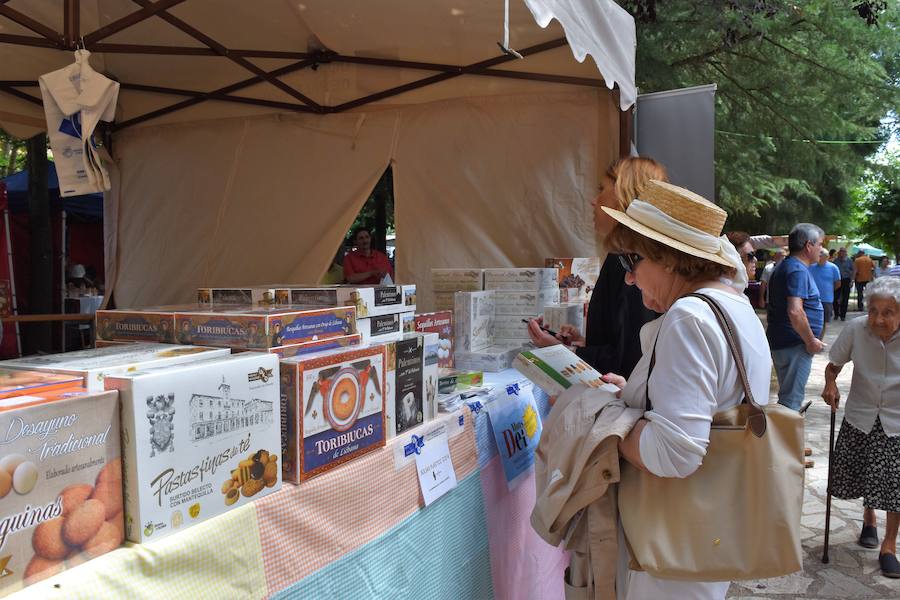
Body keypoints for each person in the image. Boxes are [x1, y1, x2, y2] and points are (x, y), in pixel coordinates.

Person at [595, 180, 768, 599]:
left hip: (673, 546)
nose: (631, 279)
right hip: (706, 529)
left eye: (632, 261)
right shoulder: (731, 305)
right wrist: (633, 392)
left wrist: (610, 421)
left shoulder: (689, 317)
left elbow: (674, 452)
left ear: (669, 258)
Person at [526, 156, 666, 378]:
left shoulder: (633, 260)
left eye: (602, 189)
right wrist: (582, 344)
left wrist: (566, 351)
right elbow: (620, 342)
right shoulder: (621, 256)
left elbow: (628, 359)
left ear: (623, 194)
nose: (594, 200)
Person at [821, 277, 900, 578]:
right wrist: (830, 384)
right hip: (861, 414)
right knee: (864, 471)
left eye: (888, 312)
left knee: (895, 484)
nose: (878, 319)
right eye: (873, 311)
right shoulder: (856, 329)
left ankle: (889, 545)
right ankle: (869, 519)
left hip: (897, 419)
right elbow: (833, 365)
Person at [767, 223, 826, 415]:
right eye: (820, 244)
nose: (822, 250)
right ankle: (787, 444)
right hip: (795, 344)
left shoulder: (785, 266)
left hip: (785, 341)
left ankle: (785, 442)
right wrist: (810, 341)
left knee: (787, 398)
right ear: (809, 245)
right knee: (791, 403)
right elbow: (795, 311)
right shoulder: (797, 270)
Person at [809, 247, 841, 338]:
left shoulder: (833, 268)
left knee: (823, 321)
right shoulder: (810, 267)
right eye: (818, 255)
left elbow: (838, 283)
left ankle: (819, 340)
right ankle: (811, 338)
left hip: (827, 299)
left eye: (821, 256)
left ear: (826, 257)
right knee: (811, 320)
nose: (819, 257)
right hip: (812, 298)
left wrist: (829, 291)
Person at [833, 247, 855, 320]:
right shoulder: (835, 261)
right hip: (837, 280)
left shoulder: (849, 261)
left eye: (843, 252)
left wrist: (852, 280)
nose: (842, 253)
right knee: (835, 297)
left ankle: (843, 315)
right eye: (840, 252)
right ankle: (836, 314)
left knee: (845, 298)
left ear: (846, 253)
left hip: (846, 280)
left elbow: (854, 271)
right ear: (839, 253)